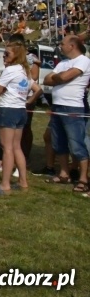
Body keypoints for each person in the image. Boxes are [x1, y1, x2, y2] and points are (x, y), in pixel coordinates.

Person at [0, 41, 35, 195]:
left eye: (7, 54)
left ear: (16, 56)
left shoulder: (11, 70)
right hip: (21, 110)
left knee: (7, 148)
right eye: (3, 53)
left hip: (8, 109)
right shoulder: (25, 70)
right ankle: (23, 181)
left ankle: (5, 184)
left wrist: (2, 86)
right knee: (16, 147)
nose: (4, 56)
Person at [43, 35, 90, 193]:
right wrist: (59, 78)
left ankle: (83, 178)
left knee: (77, 144)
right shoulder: (63, 63)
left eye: (62, 44)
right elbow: (46, 80)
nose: (60, 46)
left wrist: (58, 77)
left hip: (73, 108)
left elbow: (63, 77)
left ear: (72, 45)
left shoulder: (83, 60)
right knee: (58, 143)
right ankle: (64, 173)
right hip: (57, 106)